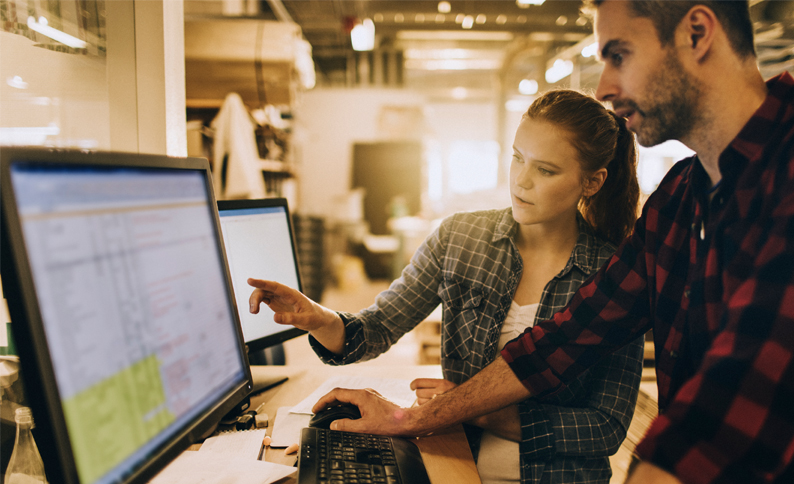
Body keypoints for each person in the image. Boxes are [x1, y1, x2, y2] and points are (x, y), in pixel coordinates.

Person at [307, 1, 794, 484]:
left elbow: (748, 390)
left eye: (619, 54)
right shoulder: (681, 196)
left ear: (697, 33)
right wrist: (412, 419)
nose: (603, 88)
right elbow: (563, 340)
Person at [248, 89, 645, 483]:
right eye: (517, 158)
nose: (521, 181)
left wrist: (468, 408)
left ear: (592, 182)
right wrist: (319, 317)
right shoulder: (461, 237)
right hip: (454, 461)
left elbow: (605, 427)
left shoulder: (614, 275)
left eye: (545, 170)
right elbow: (375, 329)